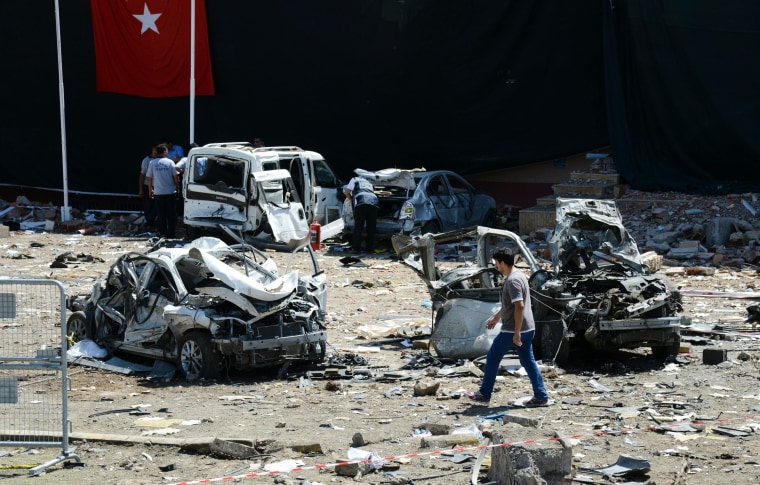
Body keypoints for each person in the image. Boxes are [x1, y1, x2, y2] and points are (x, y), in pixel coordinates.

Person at [466, 247, 549, 407]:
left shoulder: (513, 281)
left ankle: (484, 395)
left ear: (503, 263)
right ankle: (541, 396)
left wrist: (516, 333)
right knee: (528, 361)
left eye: (496, 263)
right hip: (527, 328)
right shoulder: (519, 276)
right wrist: (496, 318)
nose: (496, 266)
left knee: (492, 358)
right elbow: (510, 305)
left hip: (513, 331)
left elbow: (519, 306)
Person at [147, 144, 180, 239]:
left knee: (161, 214)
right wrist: (177, 187)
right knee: (171, 214)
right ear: (165, 151)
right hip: (170, 192)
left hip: (158, 193)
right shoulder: (170, 162)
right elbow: (175, 177)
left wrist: (150, 189)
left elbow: (149, 178)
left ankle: (163, 233)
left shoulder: (152, 163)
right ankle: (171, 234)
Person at [344, 175, 379, 253]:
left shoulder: (354, 179)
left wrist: (352, 199)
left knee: (359, 227)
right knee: (371, 227)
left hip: (361, 202)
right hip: (374, 202)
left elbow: (346, 192)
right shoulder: (369, 182)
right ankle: (370, 249)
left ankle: (356, 249)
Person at [138, 145, 157, 225]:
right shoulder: (146, 160)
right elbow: (142, 175)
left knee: (157, 205)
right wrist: (141, 189)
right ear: (153, 149)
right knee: (148, 205)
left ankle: (150, 221)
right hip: (147, 186)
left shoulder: (163, 160)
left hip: (158, 186)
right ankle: (148, 222)